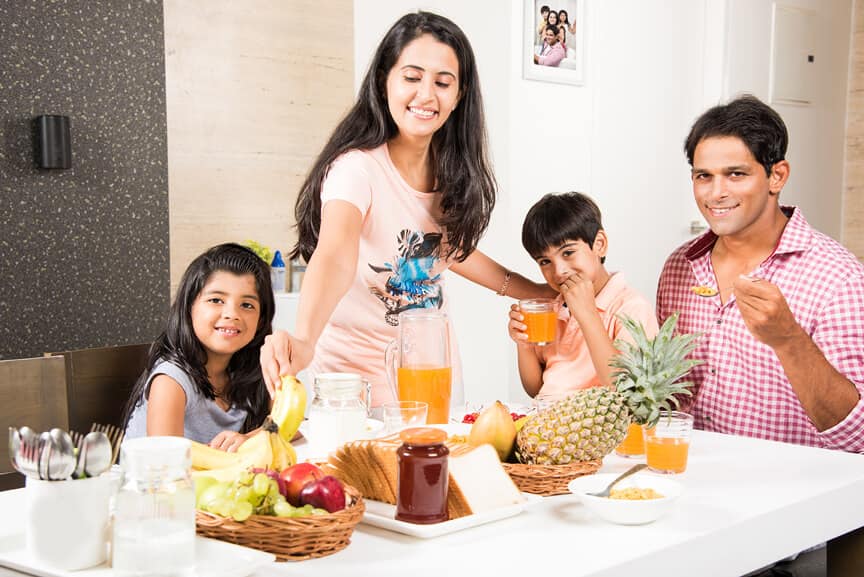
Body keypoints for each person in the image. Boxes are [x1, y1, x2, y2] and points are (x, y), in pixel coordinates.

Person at [260, 11, 554, 407]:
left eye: (443, 82)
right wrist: (305, 338)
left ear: (460, 93)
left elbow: (448, 251)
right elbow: (334, 255)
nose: (426, 95)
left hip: (430, 369)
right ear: (385, 81)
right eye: (412, 78)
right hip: (356, 379)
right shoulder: (356, 169)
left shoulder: (449, 169)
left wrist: (539, 291)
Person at [657, 94, 864, 453]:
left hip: (791, 495)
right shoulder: (679, 268)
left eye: (736, 174)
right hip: (690, 481)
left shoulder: (839, 278)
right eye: (703, 176)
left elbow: (856, 437)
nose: (716, 193)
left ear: (776, 176)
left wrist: (789, 340)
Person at [123, 243, 275, 451]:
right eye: (216, 300)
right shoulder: (172, 380)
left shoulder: (253, 372)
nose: (232, 314)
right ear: (189, 308)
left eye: (247, 305)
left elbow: (290, 427)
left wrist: (249, 439)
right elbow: (165, 464)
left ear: (261, 320)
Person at [509, 192, 658, 403]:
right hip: (548, 420)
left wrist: (587, 313)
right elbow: (537, 389)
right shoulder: (554, 307)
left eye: (568, 253)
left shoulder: (631, 308)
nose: (559, 271)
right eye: (544, 261)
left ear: (599, 244)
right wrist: (523, 345)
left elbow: (627, 393)